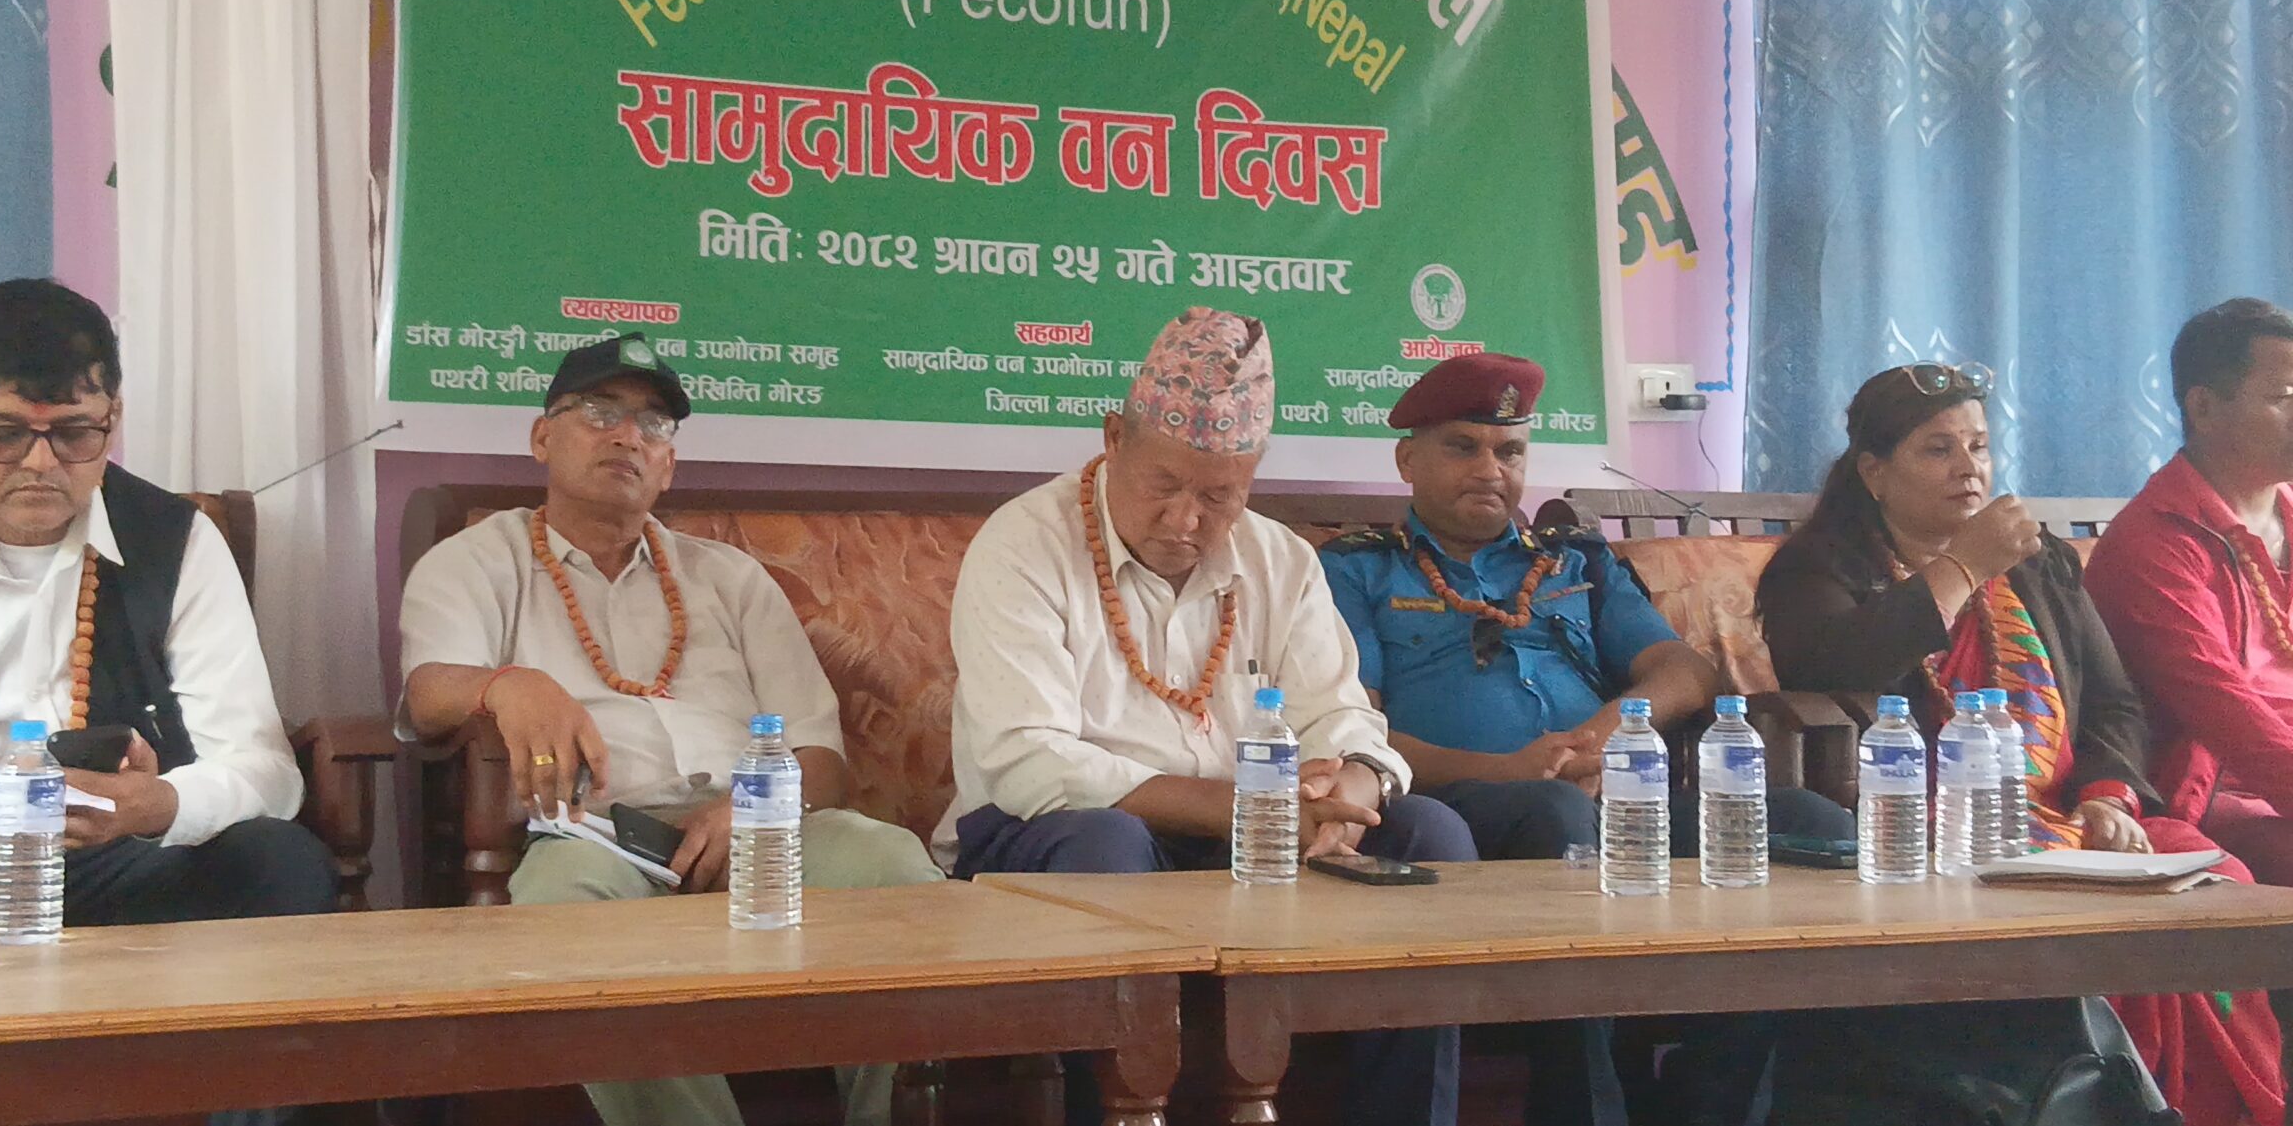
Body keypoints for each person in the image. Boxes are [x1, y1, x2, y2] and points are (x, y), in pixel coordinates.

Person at [940, 305, 1473, 1126]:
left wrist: (1351, 788)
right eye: (1164, 486)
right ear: (1113, 438)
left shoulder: (1279, 558)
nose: (1187, 520)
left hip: (1259, 834)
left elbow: (1340, 711)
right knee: (1105, 846)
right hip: (1051, 834)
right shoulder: (1024, 544)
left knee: (1427, 832)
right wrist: (1254, 809)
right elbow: (1027, 761)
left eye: (1220, 495)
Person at [398, 331, 941, 1126]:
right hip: (596, 835)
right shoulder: (478, 560)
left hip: (756, 832)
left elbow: (820, 752)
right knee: (560, 904)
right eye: (600, 410)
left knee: (894, 866)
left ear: (669, 464)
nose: (628, 435)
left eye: (653, 424)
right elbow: (427, 695)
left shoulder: (730, 577)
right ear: (542, 436)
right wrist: (508, 683)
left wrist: (754, 810)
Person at [1323, 351, 1851, 1126]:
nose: (1491, 469)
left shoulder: (1574, 559)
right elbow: (1356, 728)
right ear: (1408, 460)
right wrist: (1510, 770)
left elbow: (1684, 670)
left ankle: (1708, 1104)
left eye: (1509, 451)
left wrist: (1602, 736)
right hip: (1459, 812)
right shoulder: (1357, 569)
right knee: (1555, 815)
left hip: (1613, 801)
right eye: (1463, 447)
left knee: (1811, 824)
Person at [1757, 361, 2282, 1126]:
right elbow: (1833, 665)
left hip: (2070, 818)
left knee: (2217, 882)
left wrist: (2109, 795)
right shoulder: (1817, 570)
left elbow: (2113, 702)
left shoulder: (2039, 564)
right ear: (1874, 472)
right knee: (2097, 923)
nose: (1968, 467)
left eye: (1978, 445)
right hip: (1928, 832)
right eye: (1938, 449)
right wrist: (1964, 565)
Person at [0, 278, 336, 937]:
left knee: (281, 862)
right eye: (4, 434)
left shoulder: (176, 538)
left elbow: (266, 770)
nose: (40, 462)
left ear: (112, 422)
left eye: (73, 433)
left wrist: (160, 803)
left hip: (114, 855)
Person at [2088, 299, 2293, 888]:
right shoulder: (2153, 541)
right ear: (2203, 407)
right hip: (2216, 794)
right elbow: (2225, 713)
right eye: (2283, 397)